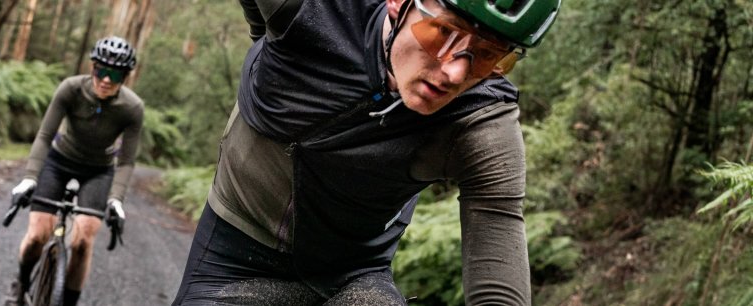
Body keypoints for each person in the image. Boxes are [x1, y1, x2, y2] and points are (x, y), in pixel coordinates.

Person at [172, 0, 560, 305]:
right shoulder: (311, 10)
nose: (456, 73)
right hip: (237, 255)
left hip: (354, 277)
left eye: (490, 56)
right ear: (398, 2)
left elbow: (499, 231)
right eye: (442, 32)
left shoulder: (482, 121)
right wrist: (267, 36)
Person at [7, 36, 144, 306]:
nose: (106, 79)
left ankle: (68, 301)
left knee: (82, 241)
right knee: (37, 236)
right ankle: (21, 284)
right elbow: (45, 136)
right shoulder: (71, 89)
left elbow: (126, 161)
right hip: (58, 161)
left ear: (125, 77)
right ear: (92, 67)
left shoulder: (132, 108)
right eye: (101, 70)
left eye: (115, 74)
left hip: (98, 170)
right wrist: (29, 178)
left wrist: (116, 200)